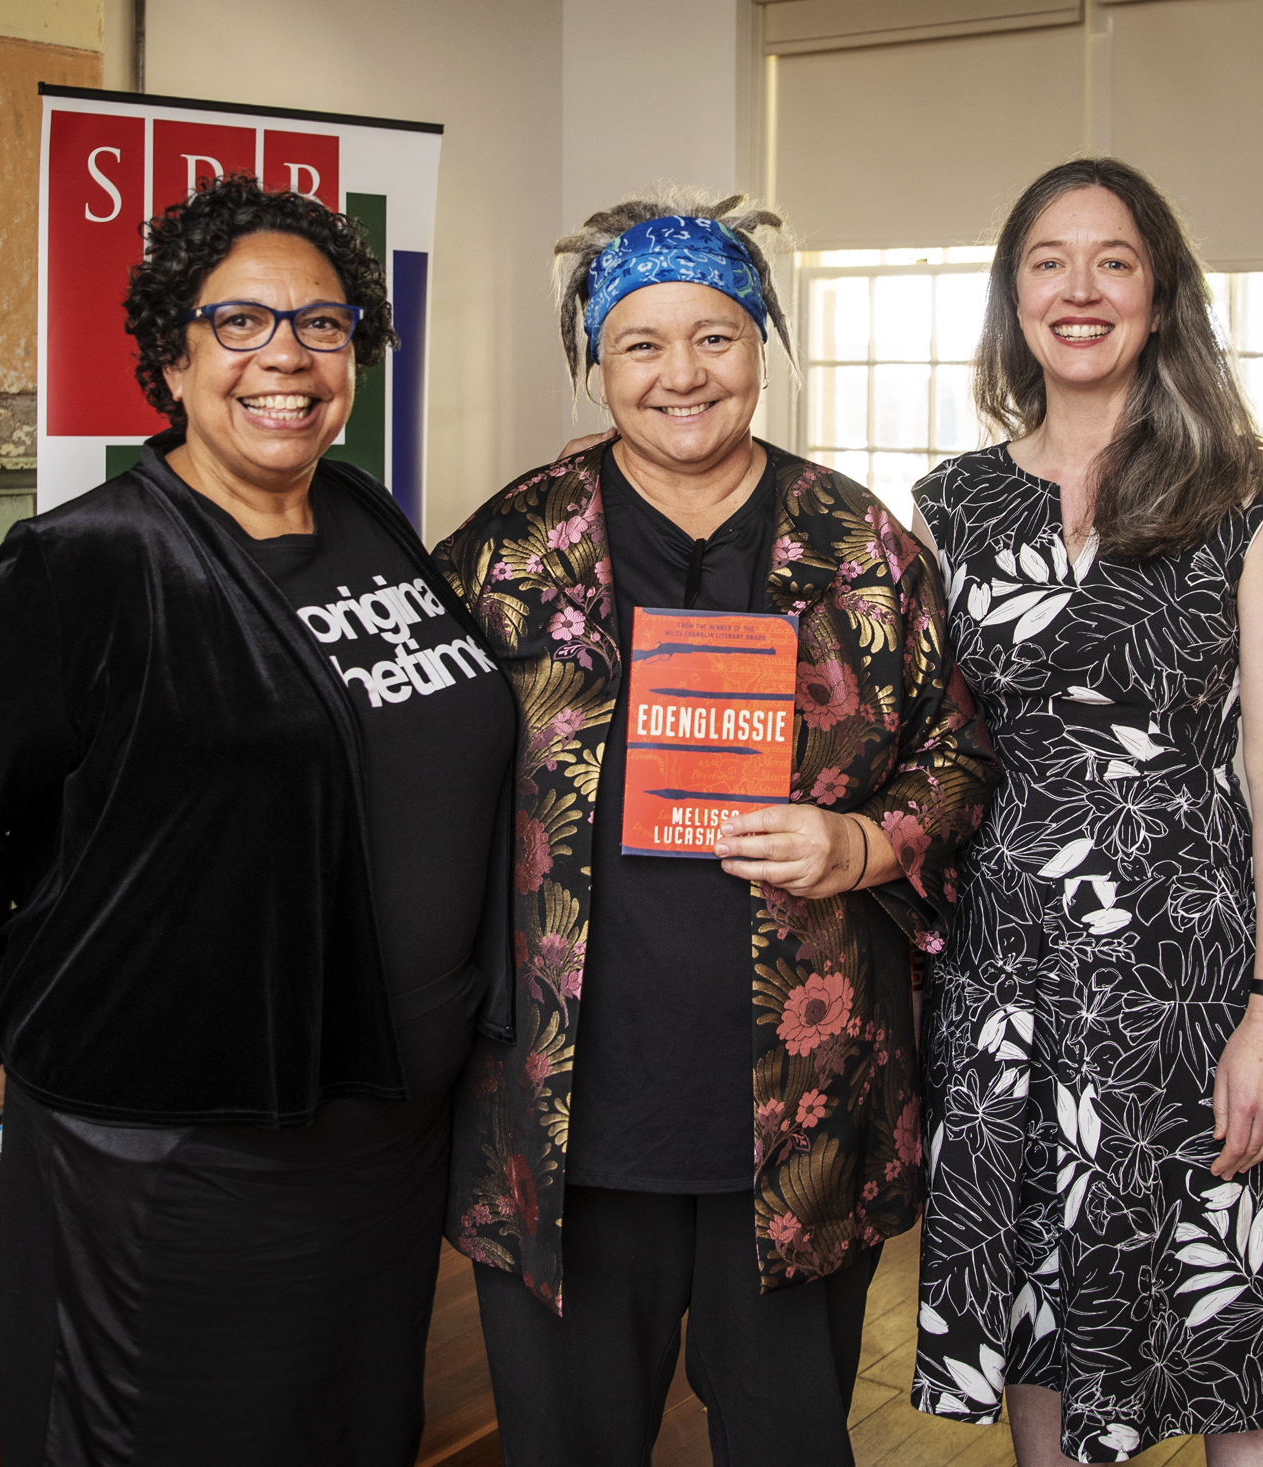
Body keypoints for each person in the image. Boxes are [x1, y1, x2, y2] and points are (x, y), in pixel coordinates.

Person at [0, 175, 515, 1467]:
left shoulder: (364, 516)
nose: (286, 356)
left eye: (323, 325)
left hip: (381, 1127)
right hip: (189, 1143)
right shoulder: (92, 561)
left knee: (351, 1426)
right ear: (171, 355)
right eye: (240, 322)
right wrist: (2, 1030)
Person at [433, 189, 997, 1467]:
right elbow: (411, 775)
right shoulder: (508, 548)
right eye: (641, 343)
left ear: (762, 347)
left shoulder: (861, 547)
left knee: (791, 1442)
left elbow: (960, 751)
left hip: (802, 1104)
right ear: (593, 361)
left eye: (716, 337)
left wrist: (861, 846)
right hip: (563, 1104)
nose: (681, 374)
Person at [908, 158, 1263, 1465]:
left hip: (1188, 976)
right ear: (1011, 294)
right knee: (1041, 1316)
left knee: (1235, 1337)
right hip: (1004, 972)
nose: (1078, 288)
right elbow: (919, 747)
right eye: (1048, 259)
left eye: (1114, 261)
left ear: (1160, 296)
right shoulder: (951, 508)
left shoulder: (1246, 495)